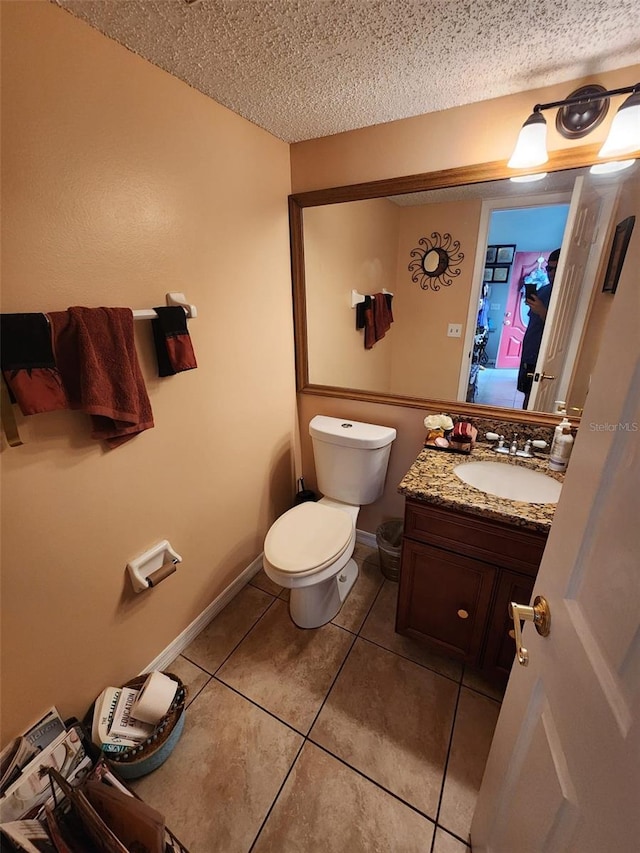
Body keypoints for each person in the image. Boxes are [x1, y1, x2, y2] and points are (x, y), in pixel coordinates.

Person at [517, 248, 560, 409]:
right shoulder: (544, 290)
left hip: (546, 358)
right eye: (549, 268)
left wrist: (543, 311)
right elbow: (533, 320)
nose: (552, 273)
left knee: (538, 401)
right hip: (530, 352)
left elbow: (561, 330)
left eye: (556, 268)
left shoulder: (566, 296)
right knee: (527, 396)